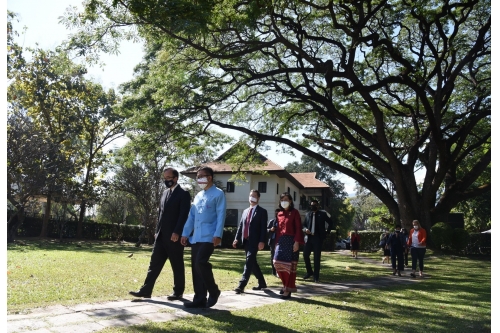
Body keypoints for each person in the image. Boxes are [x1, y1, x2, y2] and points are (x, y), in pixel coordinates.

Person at [129, 167, 191, 300]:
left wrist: (177, 231)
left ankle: (178, 292)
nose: (167, 180)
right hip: (161, 236)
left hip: (174, 236)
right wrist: (157, 231)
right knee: (154, 263)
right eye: (165, 178)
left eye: (169, 178)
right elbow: (160, 215)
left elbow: (183, 215)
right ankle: (146, 290)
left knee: (177, 264)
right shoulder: (164, 193)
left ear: (176, 178)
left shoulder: (184, 193)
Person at [180, 166, 226, 308]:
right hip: (196, 237)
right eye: (197, 177)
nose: (199, 179)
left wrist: (218, 234)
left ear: (210, 177)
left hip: (209, 236)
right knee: (196, 267)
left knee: (201, 262)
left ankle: (214, 291)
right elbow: (191, 216)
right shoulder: (199, 195)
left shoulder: (218, 194)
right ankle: (199, 298)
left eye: (201, 176)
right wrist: (185, 233)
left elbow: (221, 215)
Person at [233, 190, 268, 293]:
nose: (252, 198)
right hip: (246, 241)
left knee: (249, 262)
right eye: (250, 196)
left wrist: (262, 241)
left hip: (255, 241)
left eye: (254, 196)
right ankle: (262, 282)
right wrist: (236, 238)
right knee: (252, 262)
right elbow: (240, 226)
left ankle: (241, 285)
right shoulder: (245, 211)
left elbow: (263, 228)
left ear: (258, 198)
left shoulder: (262, 211)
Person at [273, 192, 304, 299]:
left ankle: (287, 289)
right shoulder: (279, 213)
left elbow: (298, 228)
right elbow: (278, 230)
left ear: (290, 201)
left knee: (289, 267)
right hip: (281, 241)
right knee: (277, 263)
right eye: (282, 200)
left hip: (291, 241)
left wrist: (297, 242)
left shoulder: (295, 213)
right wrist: (276, 243)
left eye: (286, 199)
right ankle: (285, 285)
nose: (284, 201)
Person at [302, 200, 333, 282]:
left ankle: (316, 276)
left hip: (318, 238)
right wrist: (305, 230)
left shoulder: (322, 214)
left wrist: (327, 233)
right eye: (312, 205)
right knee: (305, 255)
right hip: (308, 238)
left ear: (318, 206)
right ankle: (309, 272)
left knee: (316, 258)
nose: (313, 206)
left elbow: (330, 222)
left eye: (315, 205)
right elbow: (303, 225)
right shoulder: (308, 214)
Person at [267, 208, 281, 277]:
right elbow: (266, 230)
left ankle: (279, 271)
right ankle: (274, 271)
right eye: (276, 213)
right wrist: (270, 229)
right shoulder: (272, 221)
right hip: (273, 240)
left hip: (280, 241)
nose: (277, 214)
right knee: (273, 256)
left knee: (279, 256)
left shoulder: (282, 221)